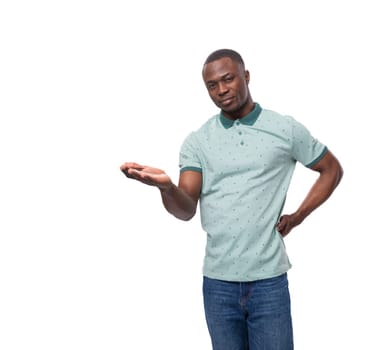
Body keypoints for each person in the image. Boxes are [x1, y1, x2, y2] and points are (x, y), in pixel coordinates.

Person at [120, 49, 343, 350]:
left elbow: (330, 169)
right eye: (212, 85)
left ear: (246, 76)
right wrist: (166, 187)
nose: (221, 90)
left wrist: (298, 216)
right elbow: (185, 208)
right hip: (218, 286)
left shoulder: (284, 129)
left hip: (269, 282)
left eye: (228, 79)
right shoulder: (198, 141)